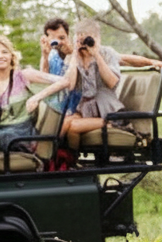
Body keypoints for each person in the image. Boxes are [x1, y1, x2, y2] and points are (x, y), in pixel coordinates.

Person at [0, 35, 62, 177]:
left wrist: (37, 97)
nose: (0, 56)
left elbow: (64, 82)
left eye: (4, 52)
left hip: (20, 132)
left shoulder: (23, 77)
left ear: (11, 55)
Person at [41, 19, 126, 153]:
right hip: (85, 111)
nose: (84, 43)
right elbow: (70, 84)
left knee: (74, 126)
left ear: (97, 38)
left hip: (108, 112)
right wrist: (74, 54)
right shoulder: (75, 57)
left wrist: (96, 54)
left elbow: (112, 82)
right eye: (80, 37)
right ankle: (55, 159)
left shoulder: (107, 53)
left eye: (88, 38)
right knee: (63, 123)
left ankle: (70, 161)